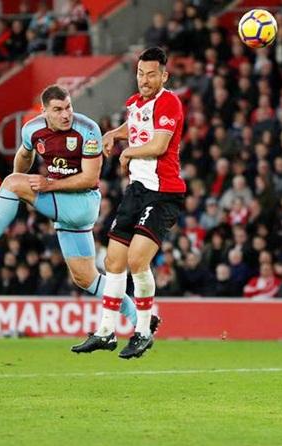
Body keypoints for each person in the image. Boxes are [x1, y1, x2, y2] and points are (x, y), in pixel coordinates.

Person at [0, 85, 159, 348]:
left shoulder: (87, 129)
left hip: (82, 202)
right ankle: (141, 318)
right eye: (58, 110)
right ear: (44, 111)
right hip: (61, 203)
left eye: (68, 107)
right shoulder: (32, 129)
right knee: (85, 278)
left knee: (12, 184)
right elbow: (24, 155)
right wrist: (18, 190)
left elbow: (90, 178)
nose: (66, 114)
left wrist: (39, 186)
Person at [73, 47, 185, 359]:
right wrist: (114, 134)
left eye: (151, 74)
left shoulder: (169, 102)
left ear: (164, 75)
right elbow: (135, 129)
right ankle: (106, 332)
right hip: (136, 190)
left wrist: (128, 152)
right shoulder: (134, 104)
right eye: (140, 73)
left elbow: (159, 143)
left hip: (163, 193)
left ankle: (144, 331)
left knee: (137, 260)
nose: (145, 80)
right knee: (113, 262)